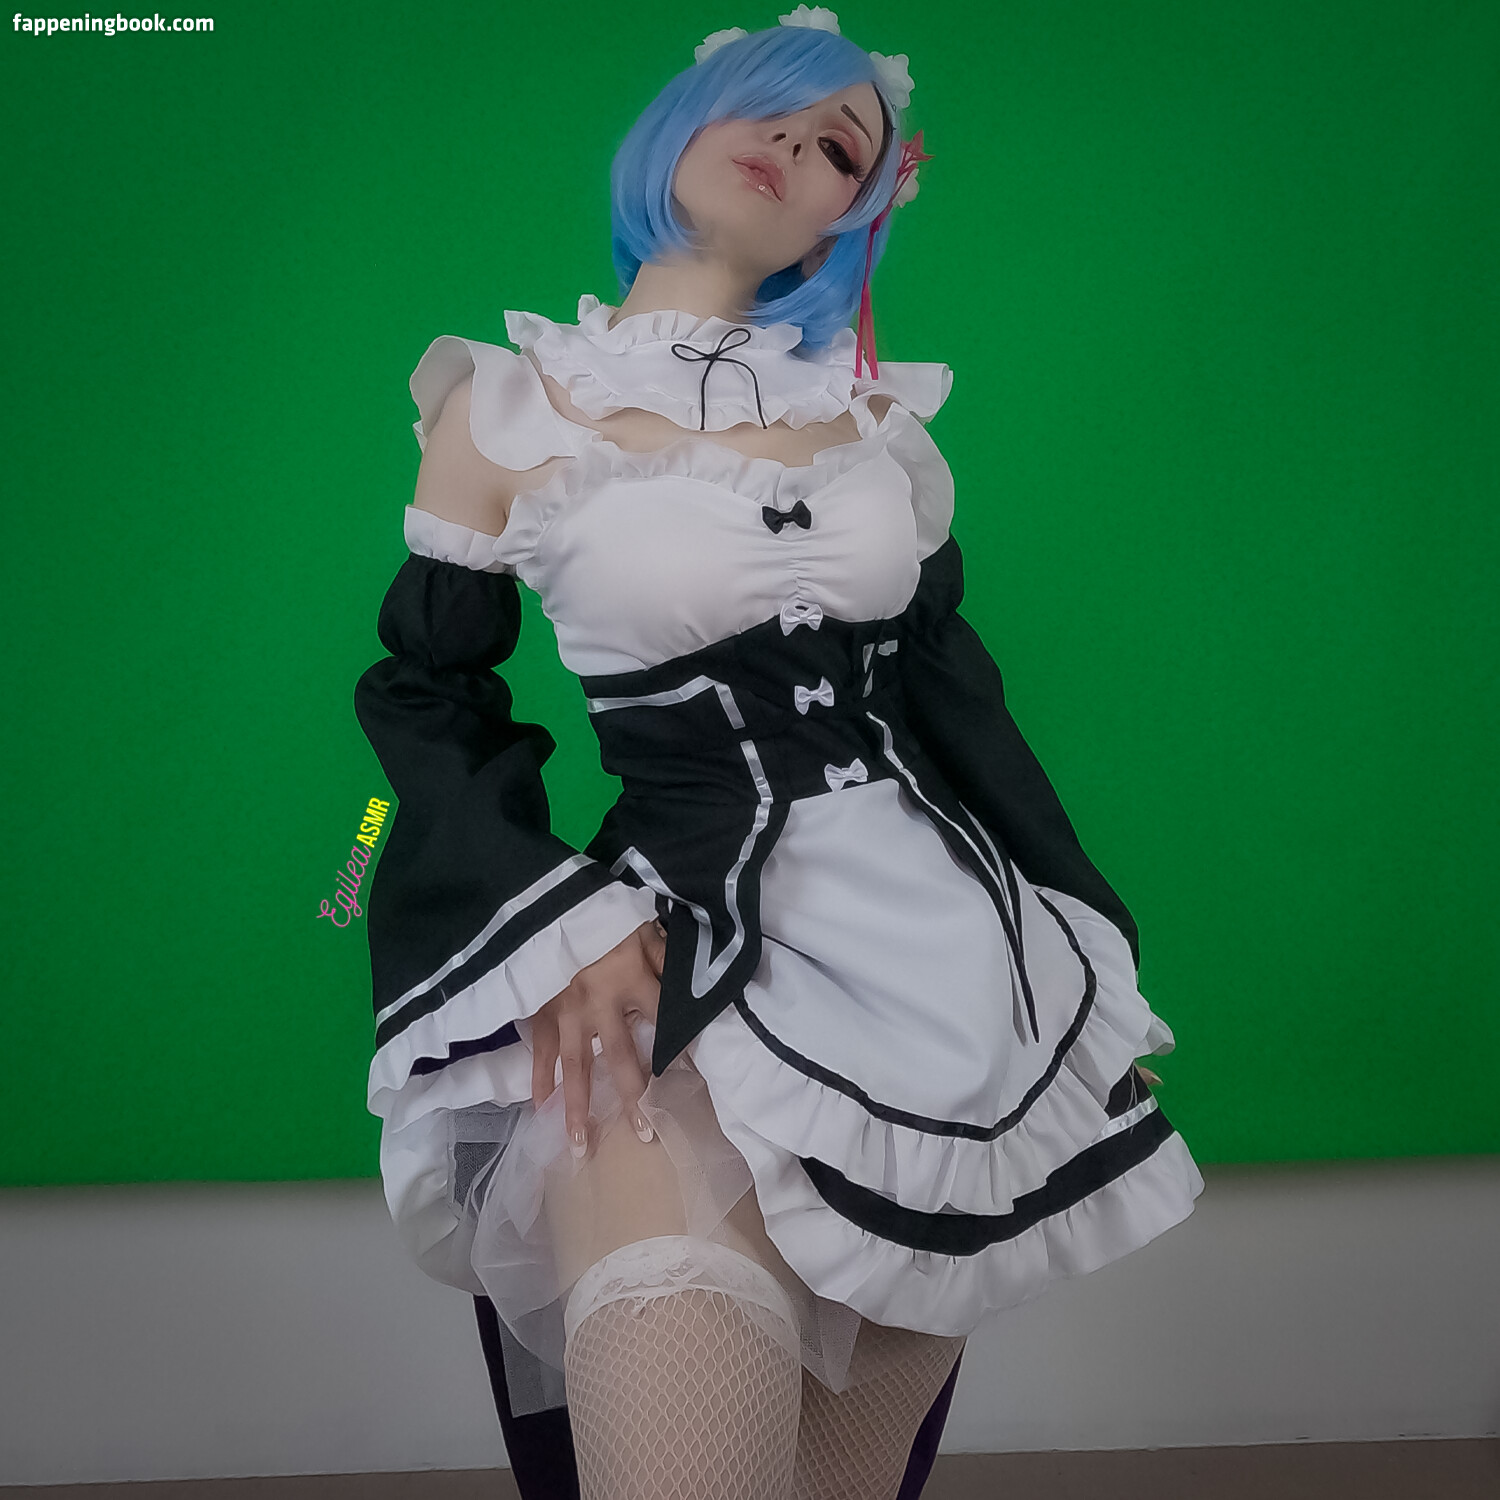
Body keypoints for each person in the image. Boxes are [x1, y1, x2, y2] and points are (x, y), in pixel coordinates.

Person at [354, 10, 1206, 1498]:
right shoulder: (505, 407)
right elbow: (423, 701)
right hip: (673, 956)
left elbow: (954, 700)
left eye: (840, 148)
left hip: (949, 989)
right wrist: (539, 918)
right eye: (774, 111)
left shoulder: (875, 425)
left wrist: (1079, 927)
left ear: (857, 210)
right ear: (683, 125)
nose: (796, 147)